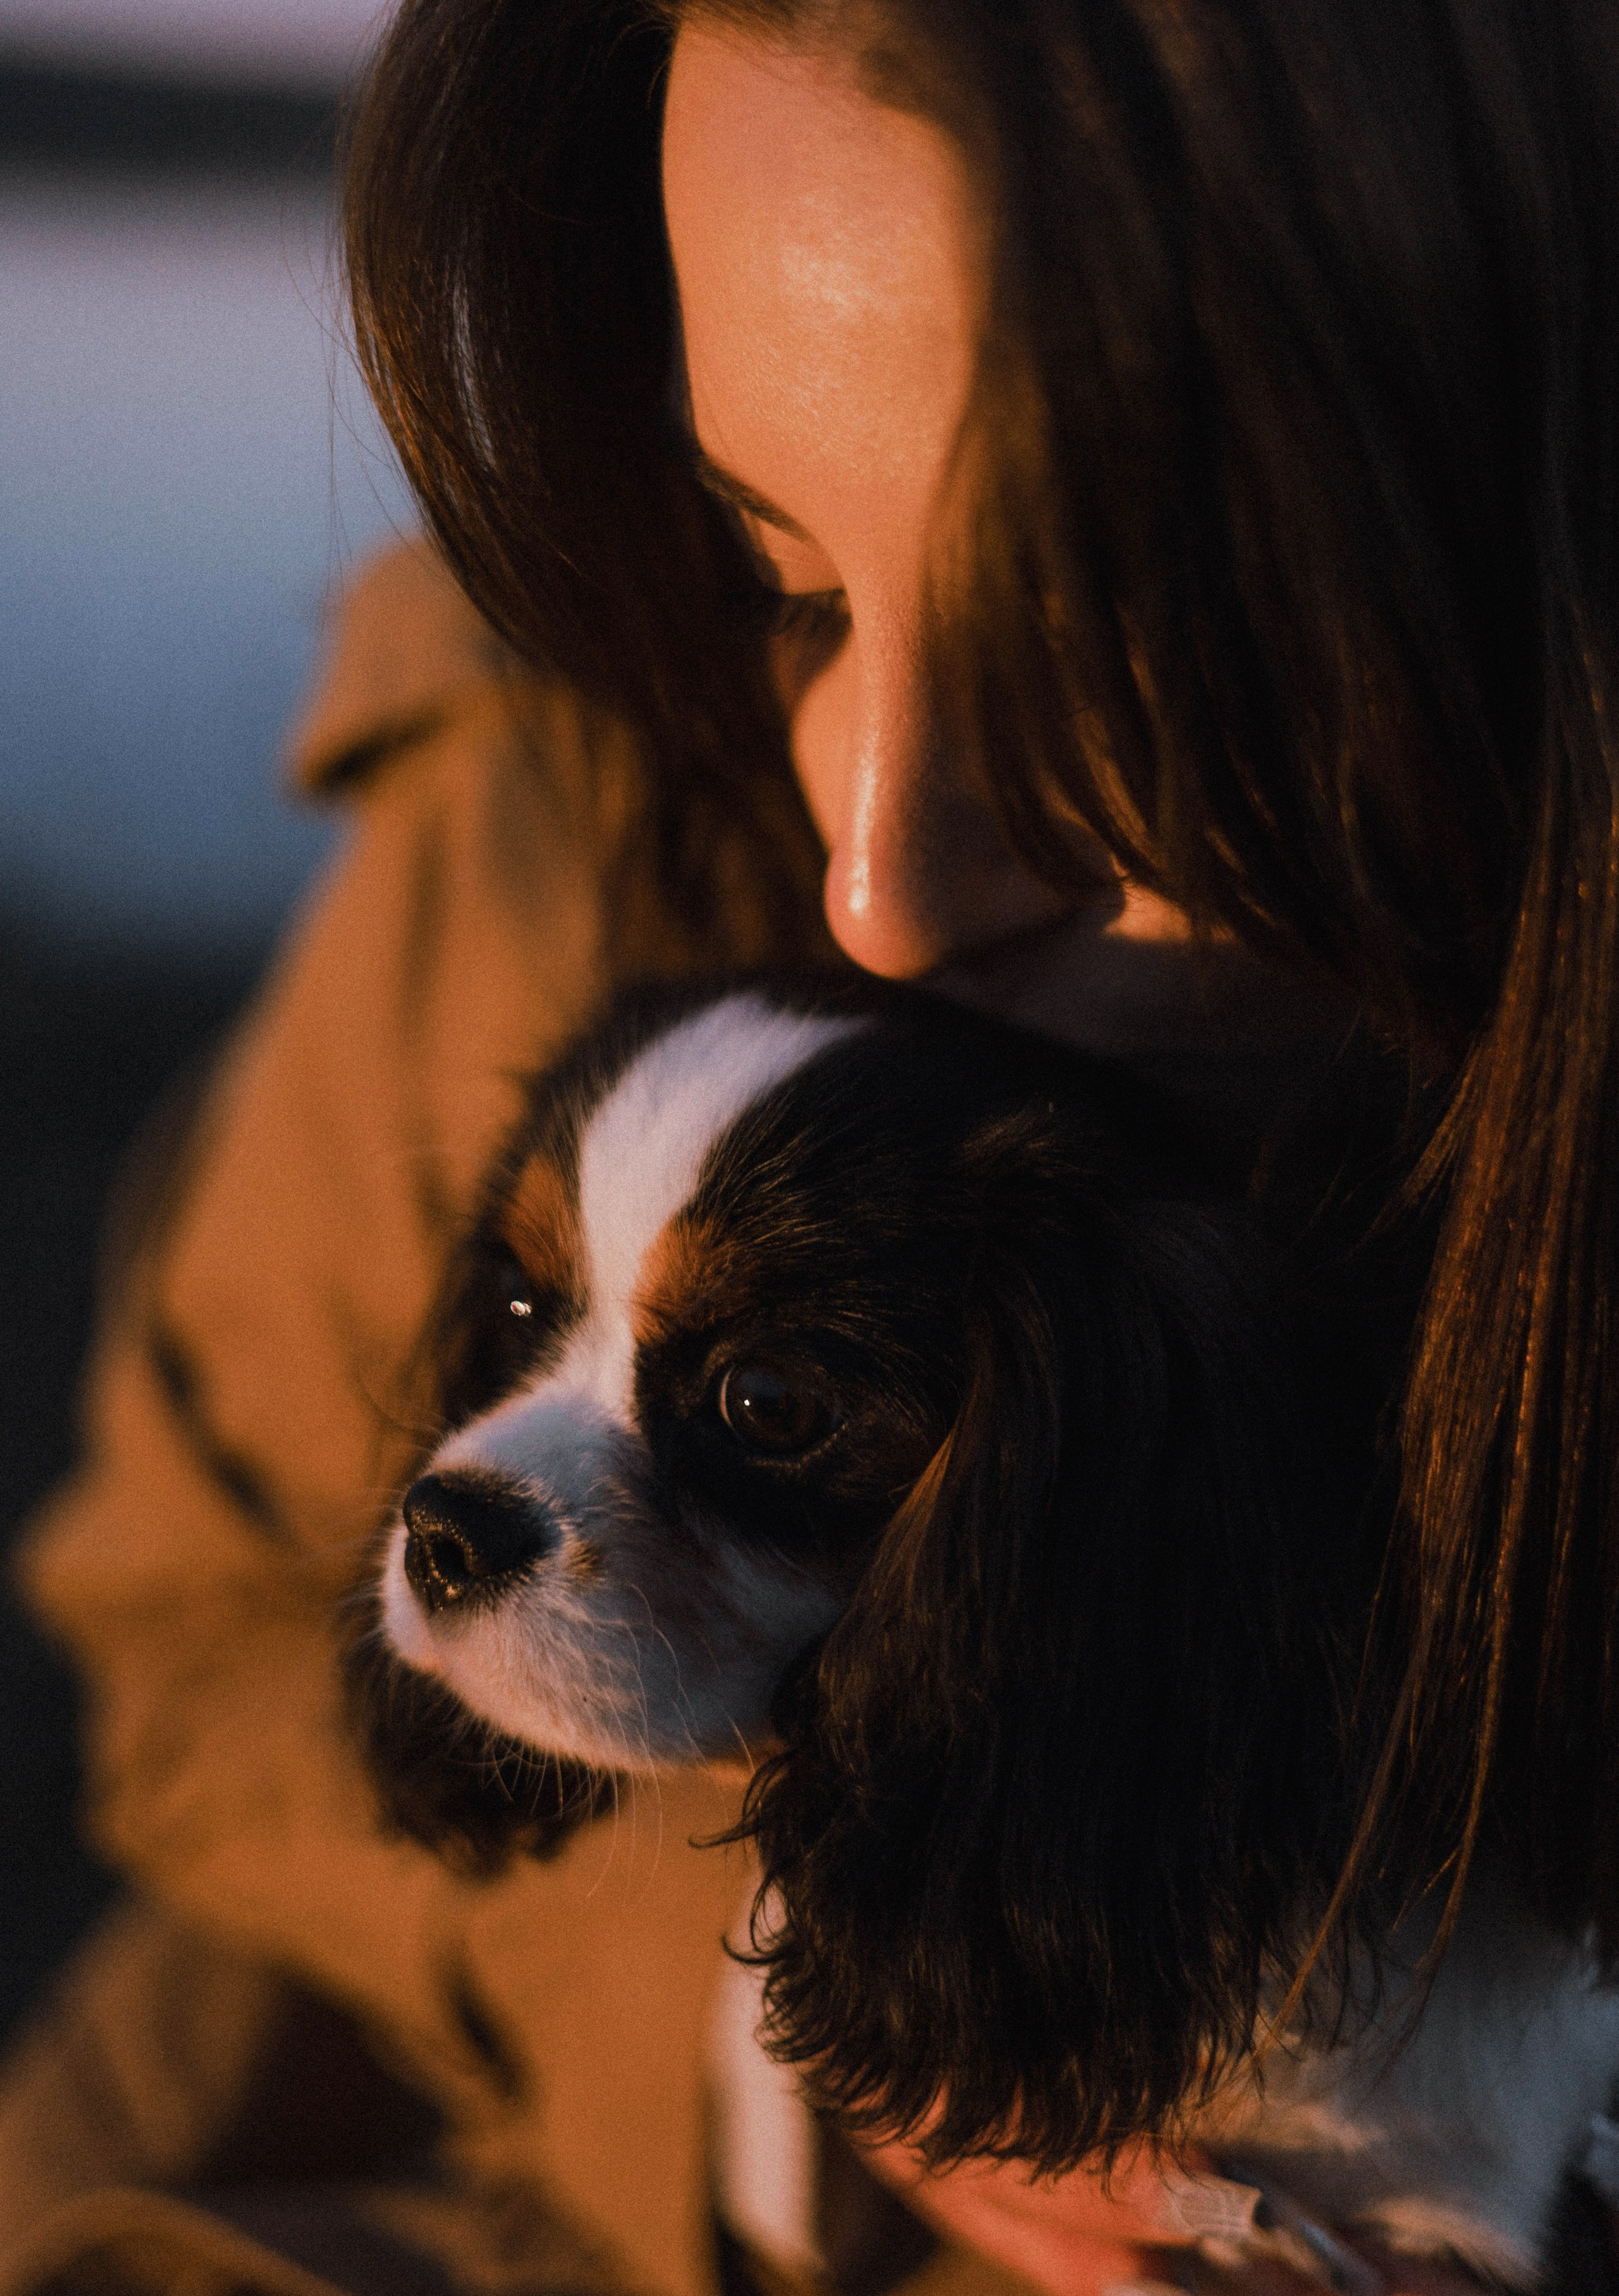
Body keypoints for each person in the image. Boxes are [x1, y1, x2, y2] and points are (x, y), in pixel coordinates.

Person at [3, 1, 1616, 2292]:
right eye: (802, 590)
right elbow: (187, 1636)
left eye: (1138, 656)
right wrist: (784, 2028)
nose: (879, 876)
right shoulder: (565, 759)